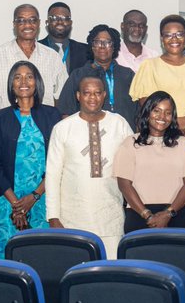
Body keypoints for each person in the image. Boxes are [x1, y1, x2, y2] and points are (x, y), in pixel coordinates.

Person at [45, 77, 134, 257]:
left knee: (111, 273)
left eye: (97, 93)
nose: (92, 97)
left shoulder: (119, 124)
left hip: (111, 217)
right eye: (86, 93)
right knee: (77, 275)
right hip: (72, 219)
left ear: (104, 95)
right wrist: (53, 217)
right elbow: (53, 176)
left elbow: (134, 163)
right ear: (78, 96)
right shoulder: (63, 128)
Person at [0, 61, 61, 255]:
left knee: (43, 259)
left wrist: (34, 197)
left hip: (44, 200)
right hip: (8, 201)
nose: (23, 81)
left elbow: (58, 163)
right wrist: (17, 206)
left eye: (29, 76)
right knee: (7, 264)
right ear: (11, 84)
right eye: (17, 77)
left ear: (37, 82)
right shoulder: (1, 117)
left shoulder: (52, 115)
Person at [115, 91, 185, 232]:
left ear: (172, 117)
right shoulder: (130, 143)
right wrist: (147, 215)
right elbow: (124, 184)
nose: (162, 117)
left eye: (167, 113)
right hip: (139, 215)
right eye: (156, 111)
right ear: (147, 113)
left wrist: (168, 213)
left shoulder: (183, 143)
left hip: (178, 213)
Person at [0, 4, 68, 109]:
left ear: (39, 23)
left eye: (32, 20)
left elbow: (61, 97)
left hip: (44, 123)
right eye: (21, 21)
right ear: (14, 24)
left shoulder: (53, 57)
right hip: (8, 123)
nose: (27, 25)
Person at [130, 15, 185, 137]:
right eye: (168, 35)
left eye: (179, 34)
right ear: (162, 39)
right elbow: (146, 103)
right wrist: (172, 125)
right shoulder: (149, 65)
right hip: (160, 132)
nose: (174, 39)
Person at [56, 24, 138, 127]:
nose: (102, 46)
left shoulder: (127, 75)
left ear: (114, 47)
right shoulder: (78, 75)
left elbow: (139, 112)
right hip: (87, 136)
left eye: (108, 42)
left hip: (124, 136)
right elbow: (65, 112)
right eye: (97, 42)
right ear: (92, 46)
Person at [38, 2, 90, 73]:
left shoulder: (85, 51)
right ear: (47, 22)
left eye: (65, 18)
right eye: (54, 18)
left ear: (70, 23)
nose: (60, 22)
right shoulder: (36, 48)